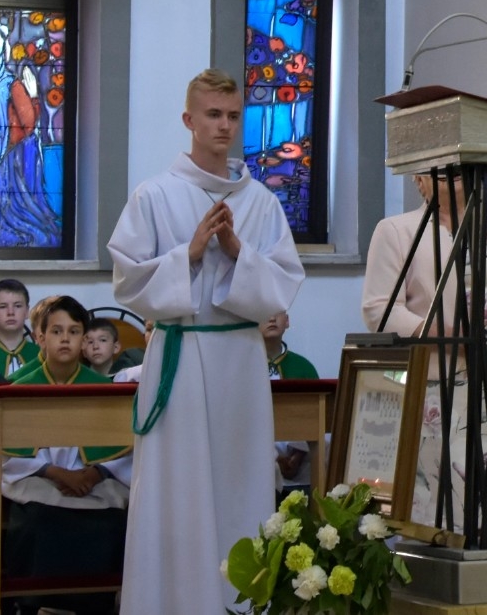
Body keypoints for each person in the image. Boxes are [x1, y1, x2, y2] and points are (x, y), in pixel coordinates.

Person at [107, 68, 304, 615]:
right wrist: (189, 253)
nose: (224, 126)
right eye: (213, 115)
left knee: (241, 485)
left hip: (239, 362)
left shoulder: (260, 201)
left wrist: (239, 253)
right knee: (176, 491)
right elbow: (127, 281)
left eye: (233, 115)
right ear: (189, 120)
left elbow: (283, 285)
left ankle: (240, 605)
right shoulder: (155, 195)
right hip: (180, 357)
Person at [361, 173, 487, 531]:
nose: (451, 171)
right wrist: (451, 337)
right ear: (419, 179)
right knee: (443, 508)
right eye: (438, 166)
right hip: (435, 388)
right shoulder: (396, 230)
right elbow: (380, 310)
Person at [0, 296, 131, 615]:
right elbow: (3, 453)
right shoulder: (17, 391)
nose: (65, 339)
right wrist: (56, 473)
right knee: (39, 521)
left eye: (74, 331)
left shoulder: (105, 391)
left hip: (93, 485)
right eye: (57, 331)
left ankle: (95, 604)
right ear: (41, 338)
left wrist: (95, 473)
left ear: (84, 339)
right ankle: (32, 603)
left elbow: (126, 448)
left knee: (110, 521)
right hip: (41, 482)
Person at [262, 311, 317, 495]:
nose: (271, 318)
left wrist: (298, 455)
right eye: (265, 312)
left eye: (277, 313)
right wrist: (275, 457)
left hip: (299, 455)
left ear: (287, 321)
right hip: (260, 451)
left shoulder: (303, 367)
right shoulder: (244, 366)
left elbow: (314, 414)